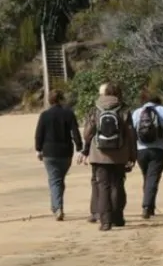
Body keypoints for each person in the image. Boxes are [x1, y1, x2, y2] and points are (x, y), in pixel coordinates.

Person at [77, 82, 136, 231]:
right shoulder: (124, 109)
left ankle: (105, 221)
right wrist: (132, 155)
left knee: (103, 187)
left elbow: (87, 134)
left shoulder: (95, 109)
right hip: (120, 154)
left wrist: (86, 148)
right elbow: (131, 135)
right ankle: (117, 217)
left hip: (99, 154)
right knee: (117, 185)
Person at [34, 89, 82, 221]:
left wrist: (38, 149)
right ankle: (56, 206)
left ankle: (57, 207)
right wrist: (79, 148)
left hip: (49, 152)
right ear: (61, 99)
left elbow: (39, 134)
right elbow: (75, 132)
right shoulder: (69, 114)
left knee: (55, 180)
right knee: (59, 180)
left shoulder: (45, 115)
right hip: (65, 152)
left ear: (49, 101)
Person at [132, 91, 163, 219]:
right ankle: (147, 206)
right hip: (158, 149)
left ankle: (150, 207)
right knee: (153, 177)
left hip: (140, 150)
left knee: (146, 177)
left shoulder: (137, 112)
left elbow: (132, 131)